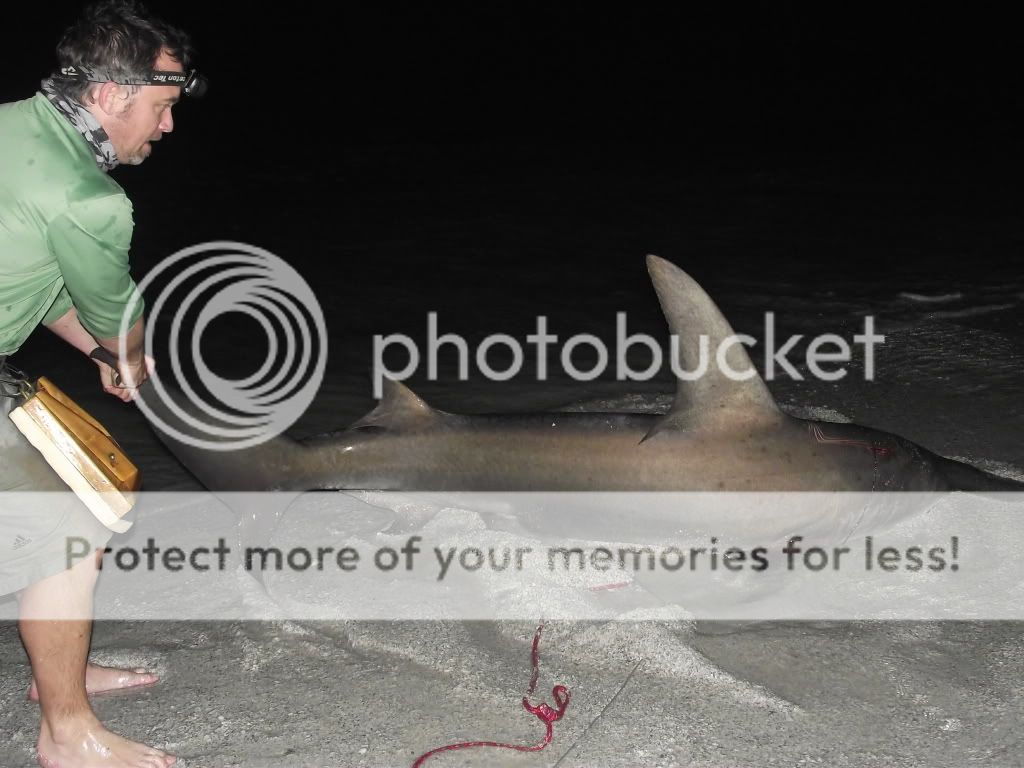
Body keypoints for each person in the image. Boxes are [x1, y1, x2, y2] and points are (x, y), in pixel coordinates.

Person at [0, 2, 202, 765]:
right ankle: (66, 734)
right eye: (162, 107)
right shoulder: (89, 198)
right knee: (70, 534)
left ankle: (59, 666)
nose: (168, 126)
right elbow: (120, 318)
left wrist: (95, 349)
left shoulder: (12, 128)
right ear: (112, 94)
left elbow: (36, 272)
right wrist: (126, 354)